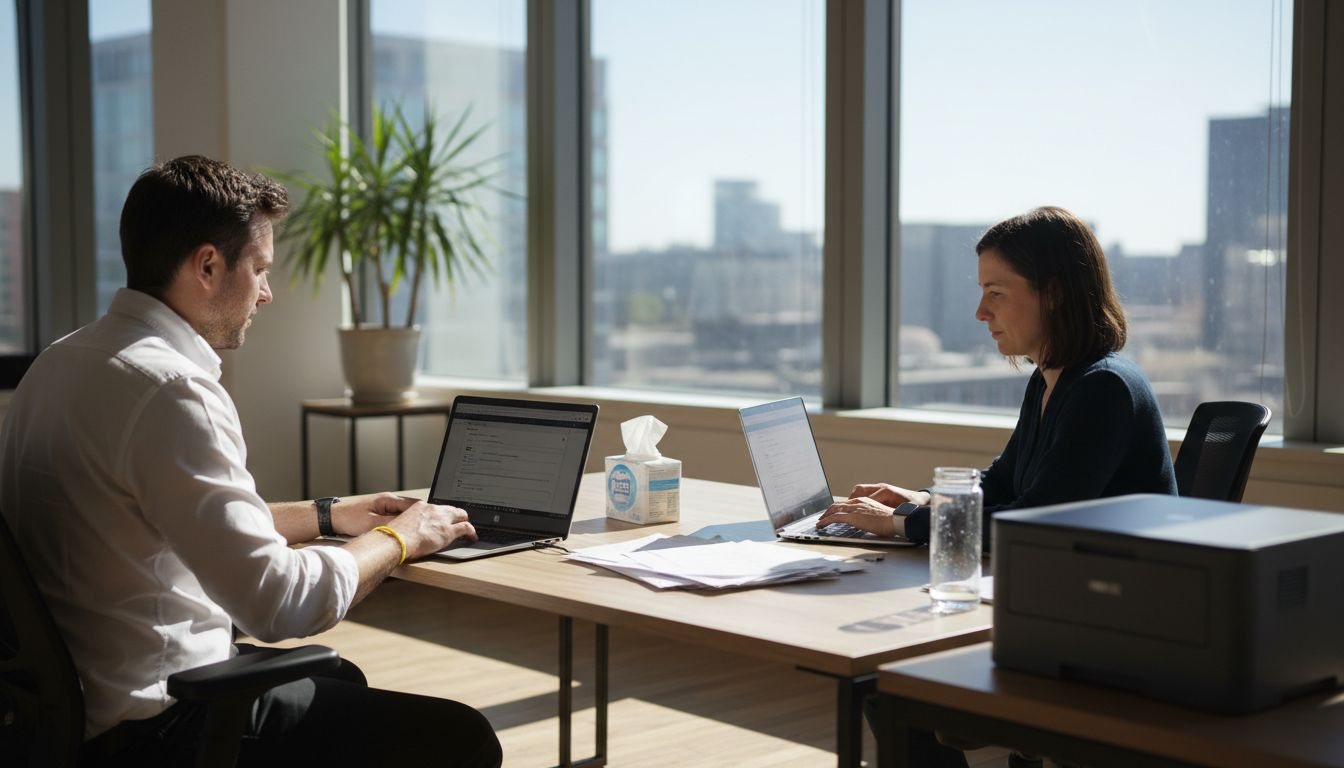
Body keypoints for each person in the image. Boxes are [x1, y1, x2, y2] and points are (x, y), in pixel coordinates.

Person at [0, 156, 502, 766]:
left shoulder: (62, 361)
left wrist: (328, 515)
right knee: (463, 738)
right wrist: (401, 537)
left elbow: (168, 515)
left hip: (64, 712)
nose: (268, 292)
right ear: (208, 265)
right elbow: (278, 604)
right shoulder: (173, 392)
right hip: (157, 723)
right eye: (260, 269)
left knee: (340, 680)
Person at [819, 204, 1177, 547]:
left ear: (1053, 295)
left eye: (996, 293)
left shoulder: (1104, 389)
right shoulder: (1049, 379)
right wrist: (924, 499)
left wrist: (899, 523)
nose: (981, 312)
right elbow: (1003, 482)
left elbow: (1036, 519)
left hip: (1122, 596)